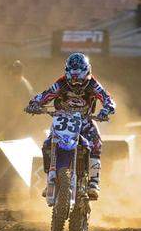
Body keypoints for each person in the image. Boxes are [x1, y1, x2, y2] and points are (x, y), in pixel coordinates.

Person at [24, 53, 116, 200]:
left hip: (85, 120)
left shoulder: (93, 84)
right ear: (67, 72)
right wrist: (35, 103)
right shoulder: (61, 83)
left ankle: (93, 183)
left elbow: (107, 98)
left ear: (87, 72)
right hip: (62, 119)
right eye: (72, 79)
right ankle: (51, 179)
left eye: (79, 79)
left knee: (96, 142)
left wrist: (107, 109)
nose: (75, 84)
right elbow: (46, 94)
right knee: (48, 143)